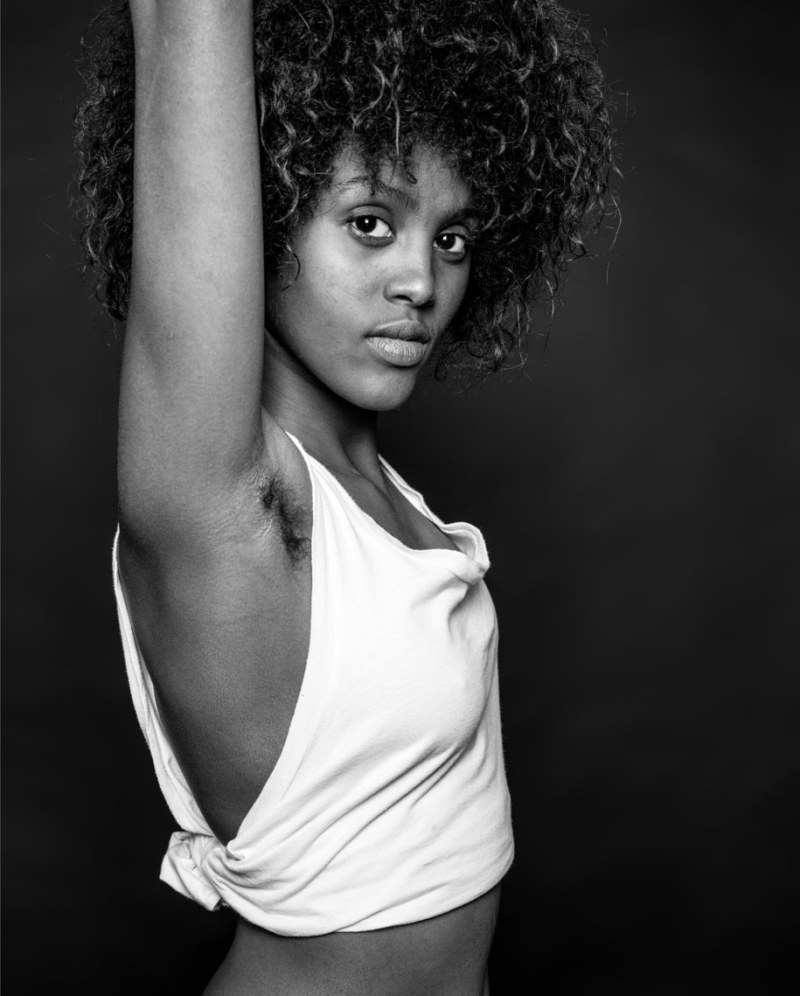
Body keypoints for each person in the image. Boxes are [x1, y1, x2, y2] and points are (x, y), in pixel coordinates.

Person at [74, 1, 614, 992]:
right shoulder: (235, 503)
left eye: (453, 239)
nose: (420, 281)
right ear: (263, 214)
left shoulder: (381, 501)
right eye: (370, 223)